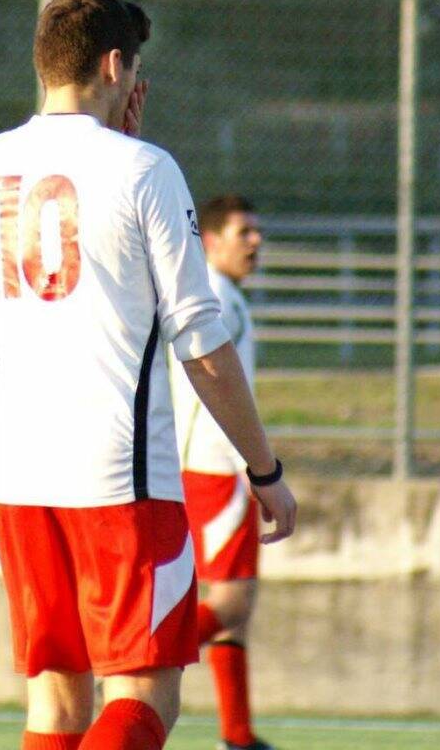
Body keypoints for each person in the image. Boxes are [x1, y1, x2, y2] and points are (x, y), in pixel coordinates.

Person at [0, 0, 296, 750]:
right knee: (146, 694)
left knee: (56, 706)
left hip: (16, 462)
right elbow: (201, 344)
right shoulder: (145, 169)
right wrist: (264, 469)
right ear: (116, 65)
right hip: (119, 471)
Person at [170, 195, 276, 750]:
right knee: (231, 601)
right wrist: (255, 469)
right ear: (211, 240)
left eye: (257, 232)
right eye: (243, 232)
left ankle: (239, 736)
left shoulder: (221, 295)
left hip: (214, 469)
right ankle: (139, 663)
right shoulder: (215, 297)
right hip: (218, 469)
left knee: (236, 612)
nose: (255, 242)